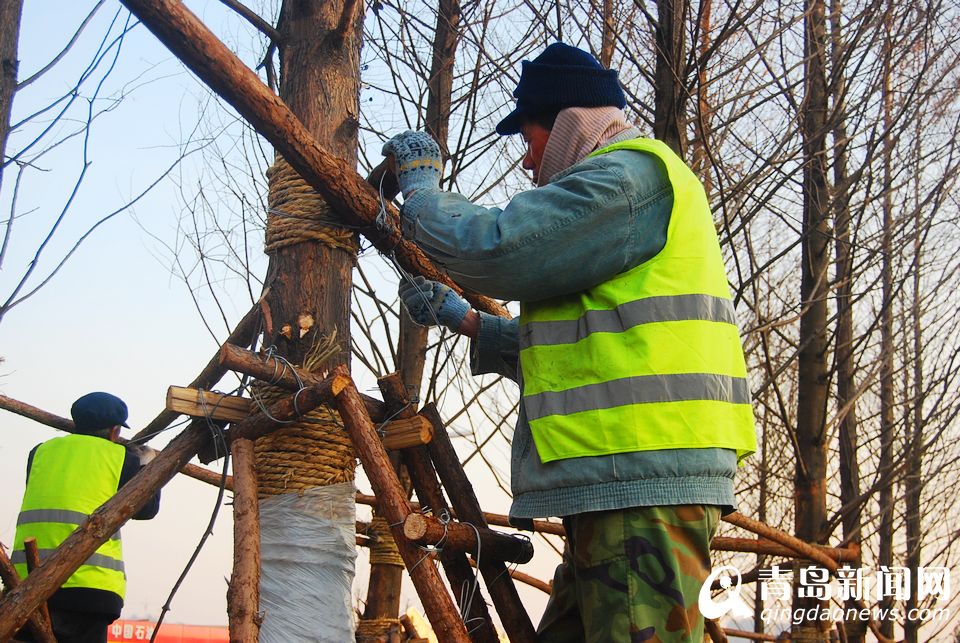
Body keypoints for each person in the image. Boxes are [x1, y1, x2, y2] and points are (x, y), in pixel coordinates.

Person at [385, 42, 757, 641]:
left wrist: (423, 200)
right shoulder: (625, 191)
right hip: (628, 481)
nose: (527, 161)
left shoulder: (626, 179)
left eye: (529, 138)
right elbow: (592, 346)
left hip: (639, 483)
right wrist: (470, 322)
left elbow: (503, 247)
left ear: (564, 124)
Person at [12, 392, 161, 643]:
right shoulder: (122, 458)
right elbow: (146, 510)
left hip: (26, 585)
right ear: (115, 431)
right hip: (89, 590)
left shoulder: (39, 452)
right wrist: (148, 465)